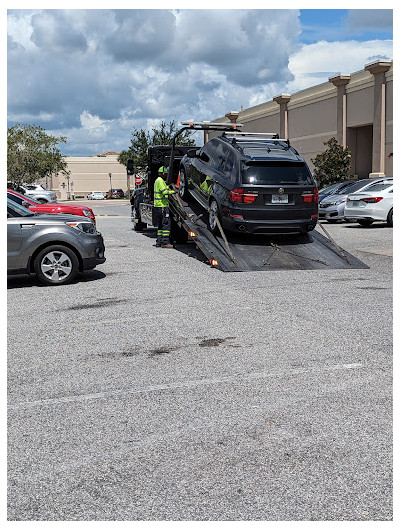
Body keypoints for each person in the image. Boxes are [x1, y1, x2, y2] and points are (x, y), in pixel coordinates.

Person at [154, 166, 176, 248]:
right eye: (165, 174)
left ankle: (159, 241)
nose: (166, 175)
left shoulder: (158, 181)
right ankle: (165, 242)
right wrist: (174, 192)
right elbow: (164, 192)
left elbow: (163, 189)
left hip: (158, 206)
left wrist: (168, 187)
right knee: (166, 224)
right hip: (163, 206)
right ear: (161, 173)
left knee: (160, 225)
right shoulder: (160, 181)